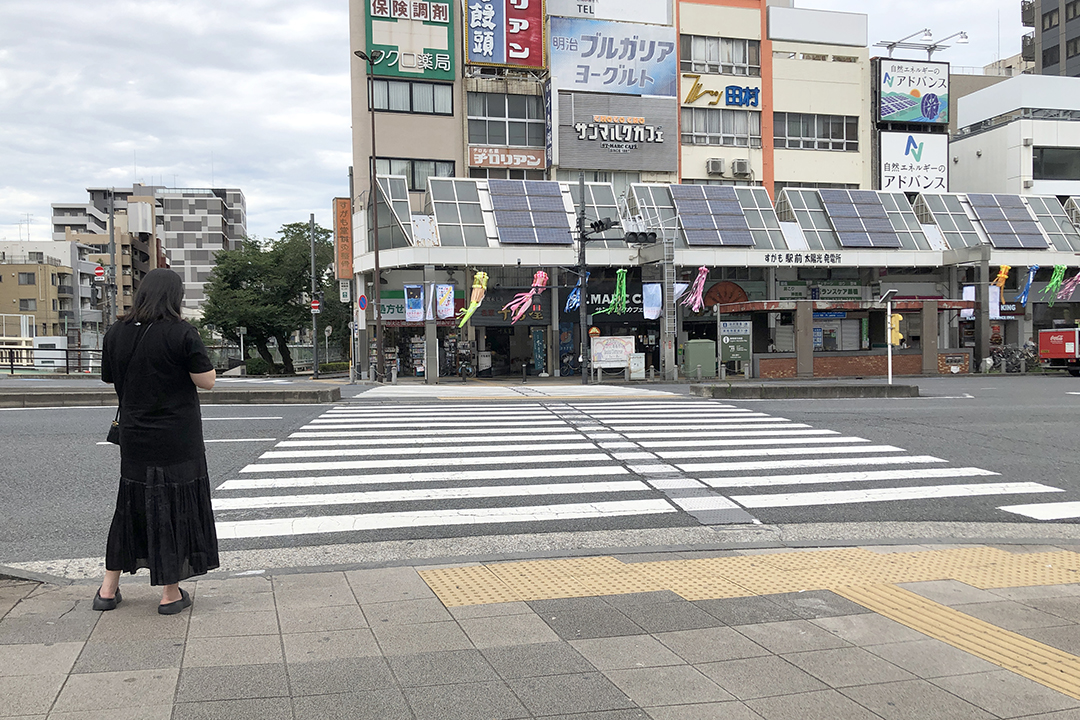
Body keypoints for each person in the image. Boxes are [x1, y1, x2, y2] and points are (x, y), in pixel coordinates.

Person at [95, 268, 219, 615]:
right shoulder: (181, 332)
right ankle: (169, 594)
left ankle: (107, 591)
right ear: (174, 297)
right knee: (173, 508)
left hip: (134, 437)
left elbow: (108, 377)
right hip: (177, 438)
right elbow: (206, 380)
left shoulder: (116, 332)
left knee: (130, 508)